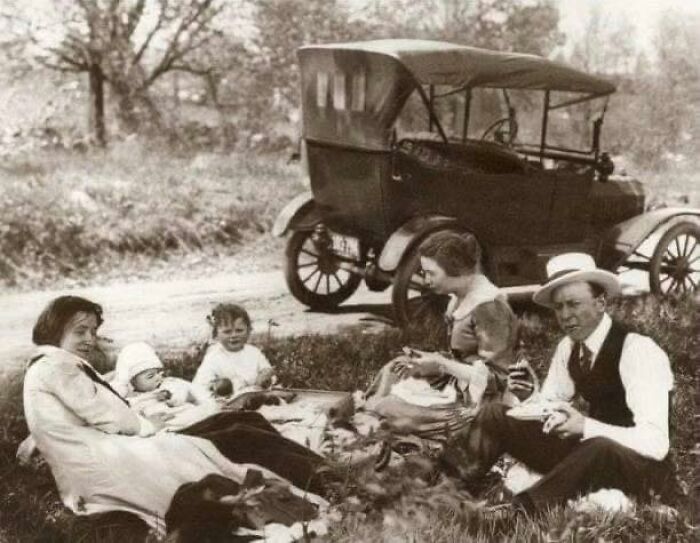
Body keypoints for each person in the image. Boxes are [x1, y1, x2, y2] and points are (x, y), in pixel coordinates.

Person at [22, 296, 327, 534]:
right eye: (80, 331)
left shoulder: (53, 365)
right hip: (121, 455)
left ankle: (323, 474)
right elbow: (106, 414)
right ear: (54, 330)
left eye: (93, 331)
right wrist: (145, 424)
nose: (90, 338)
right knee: (239, 434)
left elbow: (94, 405)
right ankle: (326, 480)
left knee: (239, 427)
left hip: (120, 448)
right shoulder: (56, 366)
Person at [458, 252, 675, 512]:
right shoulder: (569, 347)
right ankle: (448, 487)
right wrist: (530, 396)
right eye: (559, 307)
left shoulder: (638, 350)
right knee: (495, 413)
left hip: (641, 471)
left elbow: (656, 444)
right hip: (588, 456)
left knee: (598, 446)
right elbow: (550, 408)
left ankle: (517, 513)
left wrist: (585, 426)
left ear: (601, 302)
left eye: (574, 304)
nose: (565, 315)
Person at [365, 231, 520, 438]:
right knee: (396, 368)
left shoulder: (488, 308)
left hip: (485, 400)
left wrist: (442, 364)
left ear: (455, 270)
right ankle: (370, 413)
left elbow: (499, 379)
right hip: (461, 382)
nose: (426, 279)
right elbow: (463, 357)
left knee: (390, 408)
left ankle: (377, 415)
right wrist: (429, 364)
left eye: (431, 273)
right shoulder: (459, 298)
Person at [111, 342, 217, 429]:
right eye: (150, 376)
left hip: (180, 413)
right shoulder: (132, 398)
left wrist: (177, 398)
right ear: (132, 382)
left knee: (198, 413)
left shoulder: (168, 384)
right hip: (160, 422)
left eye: (159, 372)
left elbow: (188, 389)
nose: (158, 377)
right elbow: (130, 413)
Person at [193, 303, 274, 398]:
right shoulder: (213, 357)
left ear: (248, 331)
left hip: (255, 393)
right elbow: (200, 385)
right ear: (216, 334)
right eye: (227, 332)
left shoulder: (253, 352)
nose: (234, 335)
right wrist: (216, 386)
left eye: (239, 330)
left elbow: (267, 370)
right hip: (227, 400)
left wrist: (265, 376)